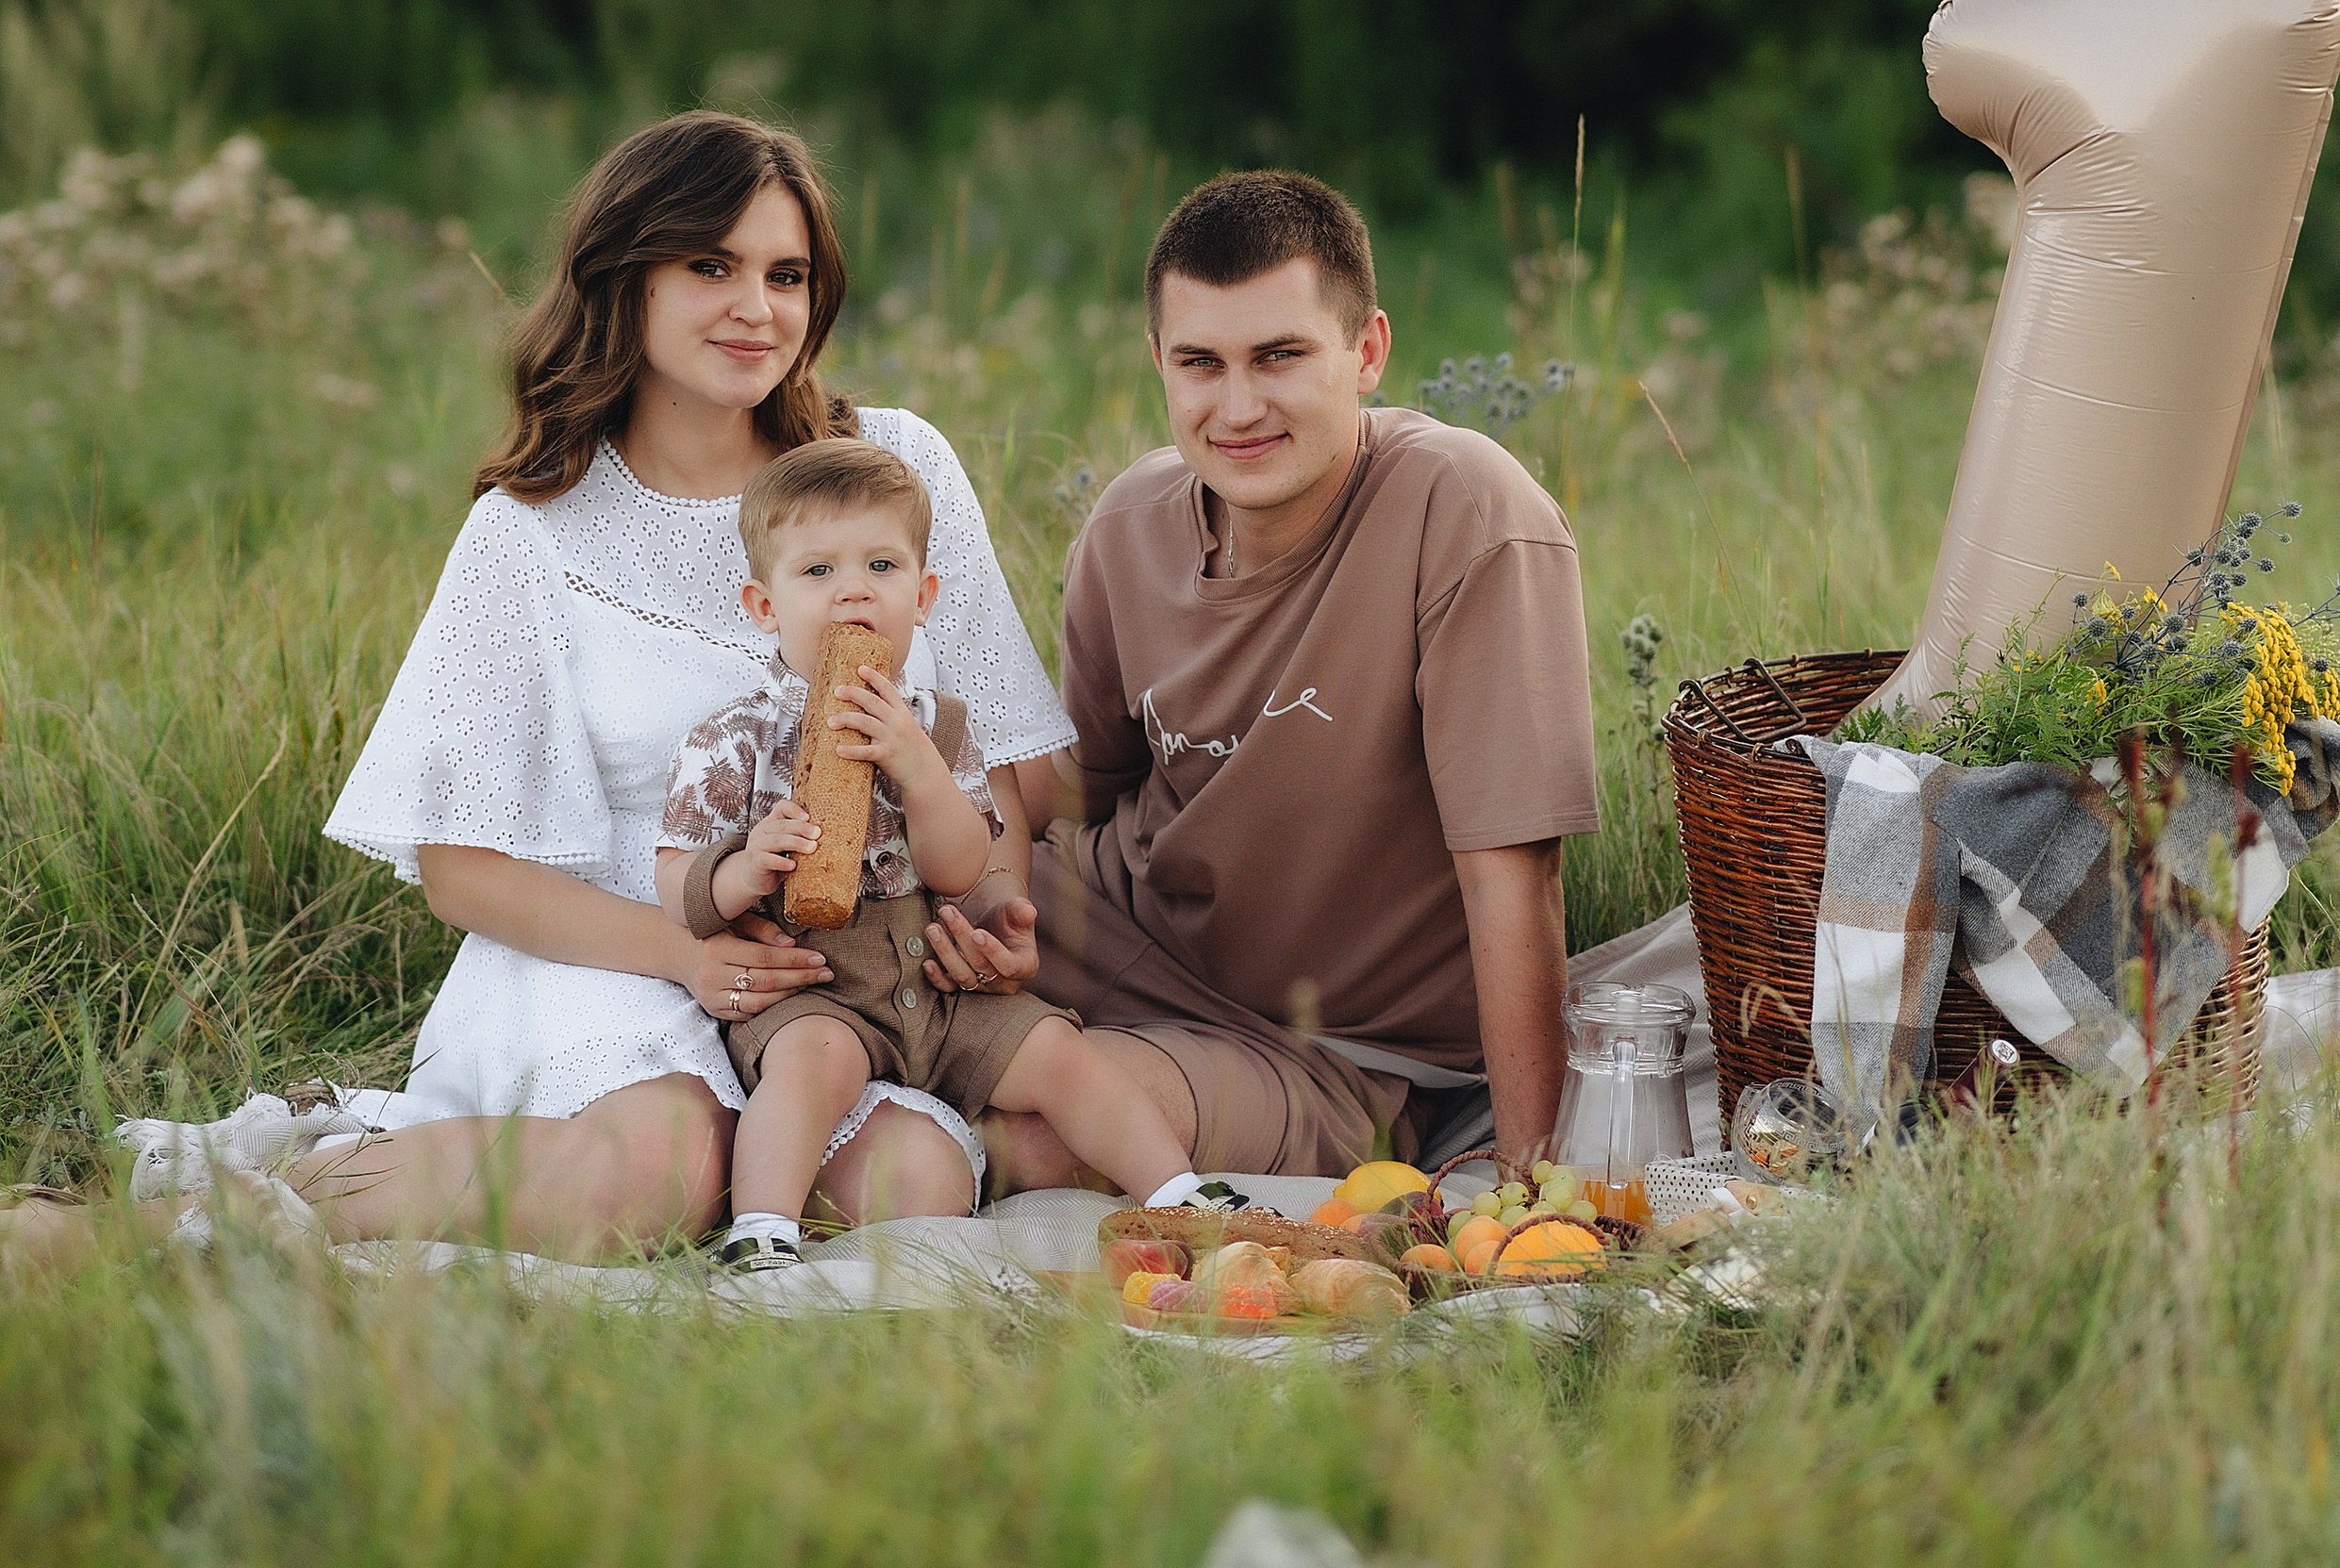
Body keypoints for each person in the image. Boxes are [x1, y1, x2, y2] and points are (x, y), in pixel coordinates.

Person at [109, 112, 1074, 1264]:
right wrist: (688, 956)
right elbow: (462, 867)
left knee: (909, 1182)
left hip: (846, 962)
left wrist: (990, 911)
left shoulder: (893, 467)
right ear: (625, 278)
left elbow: (1012, 760)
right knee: (658, 1173)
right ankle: (187, 1225)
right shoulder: (529, 530)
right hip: (611, 943)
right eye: (708, 266)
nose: (755, 307)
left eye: (786, 273)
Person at [981, 169, 1598, 1192]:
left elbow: (1512, 877)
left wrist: (1528, 1180)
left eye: (1278, 356)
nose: (1237, 406)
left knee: (1043, 1136)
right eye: (1199, 363)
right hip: (1114, 935)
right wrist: (926, 788)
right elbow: (1078, 785)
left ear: (1367, 352)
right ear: (1159, 365)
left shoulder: (1467, 512)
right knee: (832, 959)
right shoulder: (1129, 526)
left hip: (1336, 1053)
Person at [658, 438, 1204, 1267]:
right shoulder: (737, 739)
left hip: (937, 989)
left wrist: (919, 770)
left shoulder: (941, 727)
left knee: (1059, 1051)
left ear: (923, 597)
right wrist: (744, 868)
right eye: (816, 572)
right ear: (763, 605)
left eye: (881, 565)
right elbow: (676, 881)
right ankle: (761, 1231)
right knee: (808, 1067)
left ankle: (1181, 1194)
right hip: (818, 989)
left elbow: (960, 869)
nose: (852, 589)